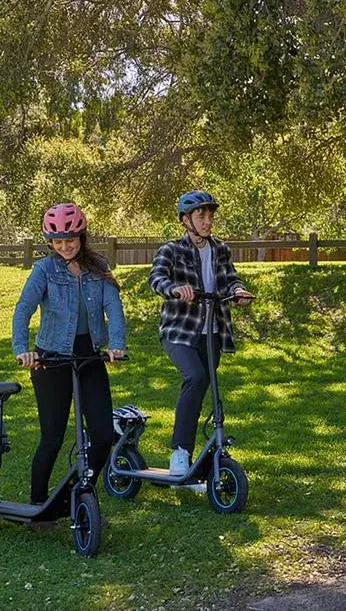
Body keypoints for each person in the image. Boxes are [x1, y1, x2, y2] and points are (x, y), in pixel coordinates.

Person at [12, 202, 127, 512]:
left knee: (103, 434)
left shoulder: (99, 267)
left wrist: (116, 344)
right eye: (58, 242)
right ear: (50, 242)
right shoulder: (44, 270)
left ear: (82, 236)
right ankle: (39, 501)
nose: (64, 247)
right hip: (51, 359)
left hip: (89, 357)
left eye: (70, 240)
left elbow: (113, 307)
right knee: (53, 436)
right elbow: (24, 309)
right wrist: (23, 349)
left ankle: (79, 489)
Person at [148, 190, 253, 477]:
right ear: (186, 220)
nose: (207, 221)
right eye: (200, 216)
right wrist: (174, 289)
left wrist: (238, 290)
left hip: (212, 332)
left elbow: (230, 278)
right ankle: (179, 452)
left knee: (203, 386)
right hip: (179, 331)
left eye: (210, 216)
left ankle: (203, 454)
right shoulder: (171, 250)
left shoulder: (220, 249)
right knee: (195, 377)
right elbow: (156, 278)